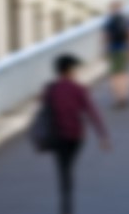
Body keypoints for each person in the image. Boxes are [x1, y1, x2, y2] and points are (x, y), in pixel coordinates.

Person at [45, 54, 111, 214]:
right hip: (75, 136)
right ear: (69, 70)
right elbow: (91, 112)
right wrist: (102, 135)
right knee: (68, 165)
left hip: (57, 135)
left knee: (63, 167)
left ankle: (65, 201)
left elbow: (46, 112)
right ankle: (67, 196)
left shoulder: (51, 89)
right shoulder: (78, 89)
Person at [103, 0, 129, 109]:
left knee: (114, 75)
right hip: (124, 49)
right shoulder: (124, 20)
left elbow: (106, 36)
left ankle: (117, 97)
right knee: (123, 73)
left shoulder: (110, 21)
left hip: (114, 49)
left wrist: (105, 50)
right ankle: (124, 95)